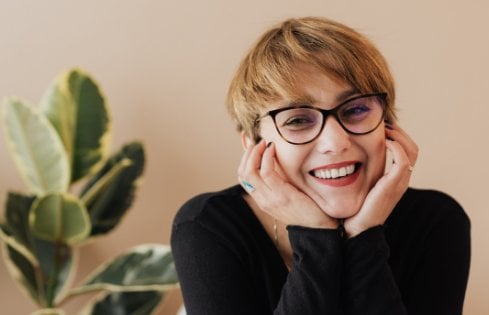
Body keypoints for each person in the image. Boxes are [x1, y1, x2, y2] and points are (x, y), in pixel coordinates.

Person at [171, 16, 470, 315]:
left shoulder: (436, 221)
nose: (335, 142)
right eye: (298, 120)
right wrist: (315, 236)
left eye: (355, 110)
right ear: (252, 144)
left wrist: (364, 235)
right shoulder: (207, 227)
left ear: (388, 126)